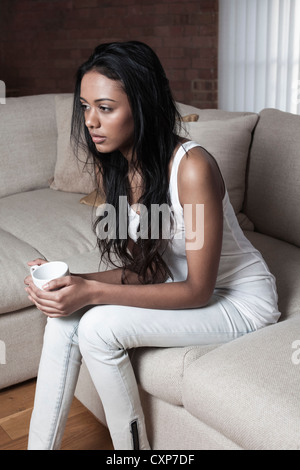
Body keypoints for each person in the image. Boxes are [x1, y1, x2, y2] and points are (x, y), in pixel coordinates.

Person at [24, 41, 280, 450]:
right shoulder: (117, 172)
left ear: (141, 106)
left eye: (105, 108)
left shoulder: (192, 168)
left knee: (97, 327)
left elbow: (199, 289)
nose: (91, 121)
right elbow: (150, 270)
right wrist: (74, 282)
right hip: (181, 284)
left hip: (239, 300)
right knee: (63, 319)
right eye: (85, 107)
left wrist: (92, 293)